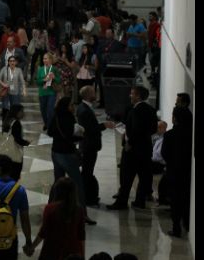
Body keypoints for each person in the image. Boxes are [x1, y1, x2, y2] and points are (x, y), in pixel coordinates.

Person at [107, 86, 157, 211]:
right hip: (145, 149)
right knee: (143, 176)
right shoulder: (151, 110)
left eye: (132, 94)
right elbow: (153, 129)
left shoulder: (135, 111)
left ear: (138, 96)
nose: (130, 96)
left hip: (132, 151)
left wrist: (130, 143)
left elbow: (134, 130)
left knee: (126, 177)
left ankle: (122, 202)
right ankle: (139, 202)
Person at [48, 97, 96, 225]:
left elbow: (50, 132)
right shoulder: (68, 118)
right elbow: (71, 135)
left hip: (55, 152)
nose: (73, 107)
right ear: (66, 106)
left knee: (58, 182)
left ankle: (51, 209)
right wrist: (80, 135)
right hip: (66, 154)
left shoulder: (56, 116)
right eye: (71, 105)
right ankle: (83, 214)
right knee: (77, 185)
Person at [24, 178, 85, 260]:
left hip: (52, 251)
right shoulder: (79, 210)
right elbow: (81, 236)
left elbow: (43, 232)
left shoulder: (50, 208)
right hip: (73, 250)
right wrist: (82, 257)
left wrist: (32, 247)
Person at [76, 86, 115, 206]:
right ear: (88, 95)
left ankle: (87, 196)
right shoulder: (84, 110)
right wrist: (104, 125)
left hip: (88, 145)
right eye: (93, 92)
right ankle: (87, 198)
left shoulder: (85, 107)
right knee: (87, 172)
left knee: (88, 171)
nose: (96, 94)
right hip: (89, 146)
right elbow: (89, 129)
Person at [160, 105, 193, 237]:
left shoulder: (169, 135)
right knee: (186, 199)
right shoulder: (191, 134)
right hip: (188, 172)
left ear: (175, 118)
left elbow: (164, 154)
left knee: (175, 201)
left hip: (174, 172)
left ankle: (176, 228)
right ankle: (187, 223)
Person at [1, 104, 30, 181]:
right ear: (16, 112)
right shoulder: (16, 123)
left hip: (6, 152)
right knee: (14, 175)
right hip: (14, 153)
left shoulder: (7, 121)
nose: (23, 113)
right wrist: (26, 142)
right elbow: (17, 139)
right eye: (21, 111)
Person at [37, 53, 61, 131]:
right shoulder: (40, 69)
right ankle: (46, 123)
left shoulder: (54, 69)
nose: (44, 60)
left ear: (50, 60)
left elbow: (59, 80)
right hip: (42, 92)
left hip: (51, 92)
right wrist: (44, 80)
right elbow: (37, 82)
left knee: (50, 110)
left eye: (46, 58)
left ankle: (50, 126)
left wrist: (54, 78)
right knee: (43, 110)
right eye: (44, 59)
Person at [0, 55, 27, 120]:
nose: (12, 62)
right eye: (10, 61)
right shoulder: (4, 69)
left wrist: (24, 90)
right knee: (5, 106)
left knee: (15, 107)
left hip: (15, 91)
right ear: (8, 62)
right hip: (6, 91)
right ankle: (6, 119)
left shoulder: (19, 70)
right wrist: (3, 84)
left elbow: (22, 81)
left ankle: (13, 119)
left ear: (16, 62)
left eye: (13, 61)